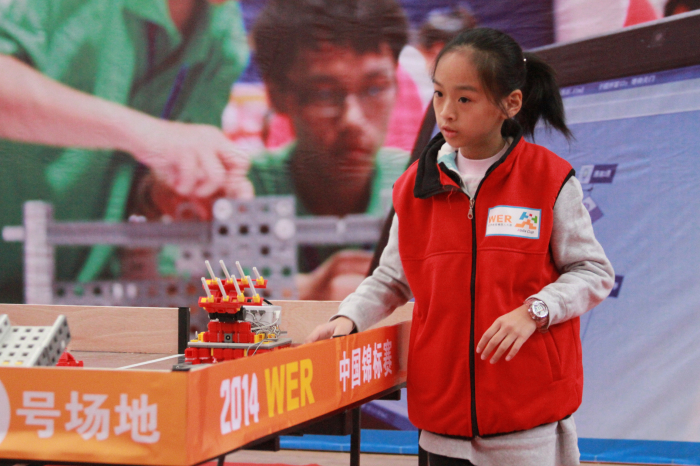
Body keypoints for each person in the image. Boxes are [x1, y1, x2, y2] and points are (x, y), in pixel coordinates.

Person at [307, 28, 615, 466]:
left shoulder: (549, 179)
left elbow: (593, 272)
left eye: (464, 99)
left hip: (526, 421)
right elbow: (391, 278)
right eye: (438, 94)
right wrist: (348, 319)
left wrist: (535, 311)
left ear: (510, 103)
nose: (446, 112)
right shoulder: (414, 187)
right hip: (441, 421)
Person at [0, 0, 252, 302]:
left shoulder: (222, 32)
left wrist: (168, 192)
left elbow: (136, 184)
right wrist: (150, 134)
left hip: (77, 294)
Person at [248, 0, 411, 300]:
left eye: (375, 88)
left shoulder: (426, 185)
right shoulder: (243, 190)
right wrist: (305, 294)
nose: (353, 120)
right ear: (277, 95)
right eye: (324, 94)